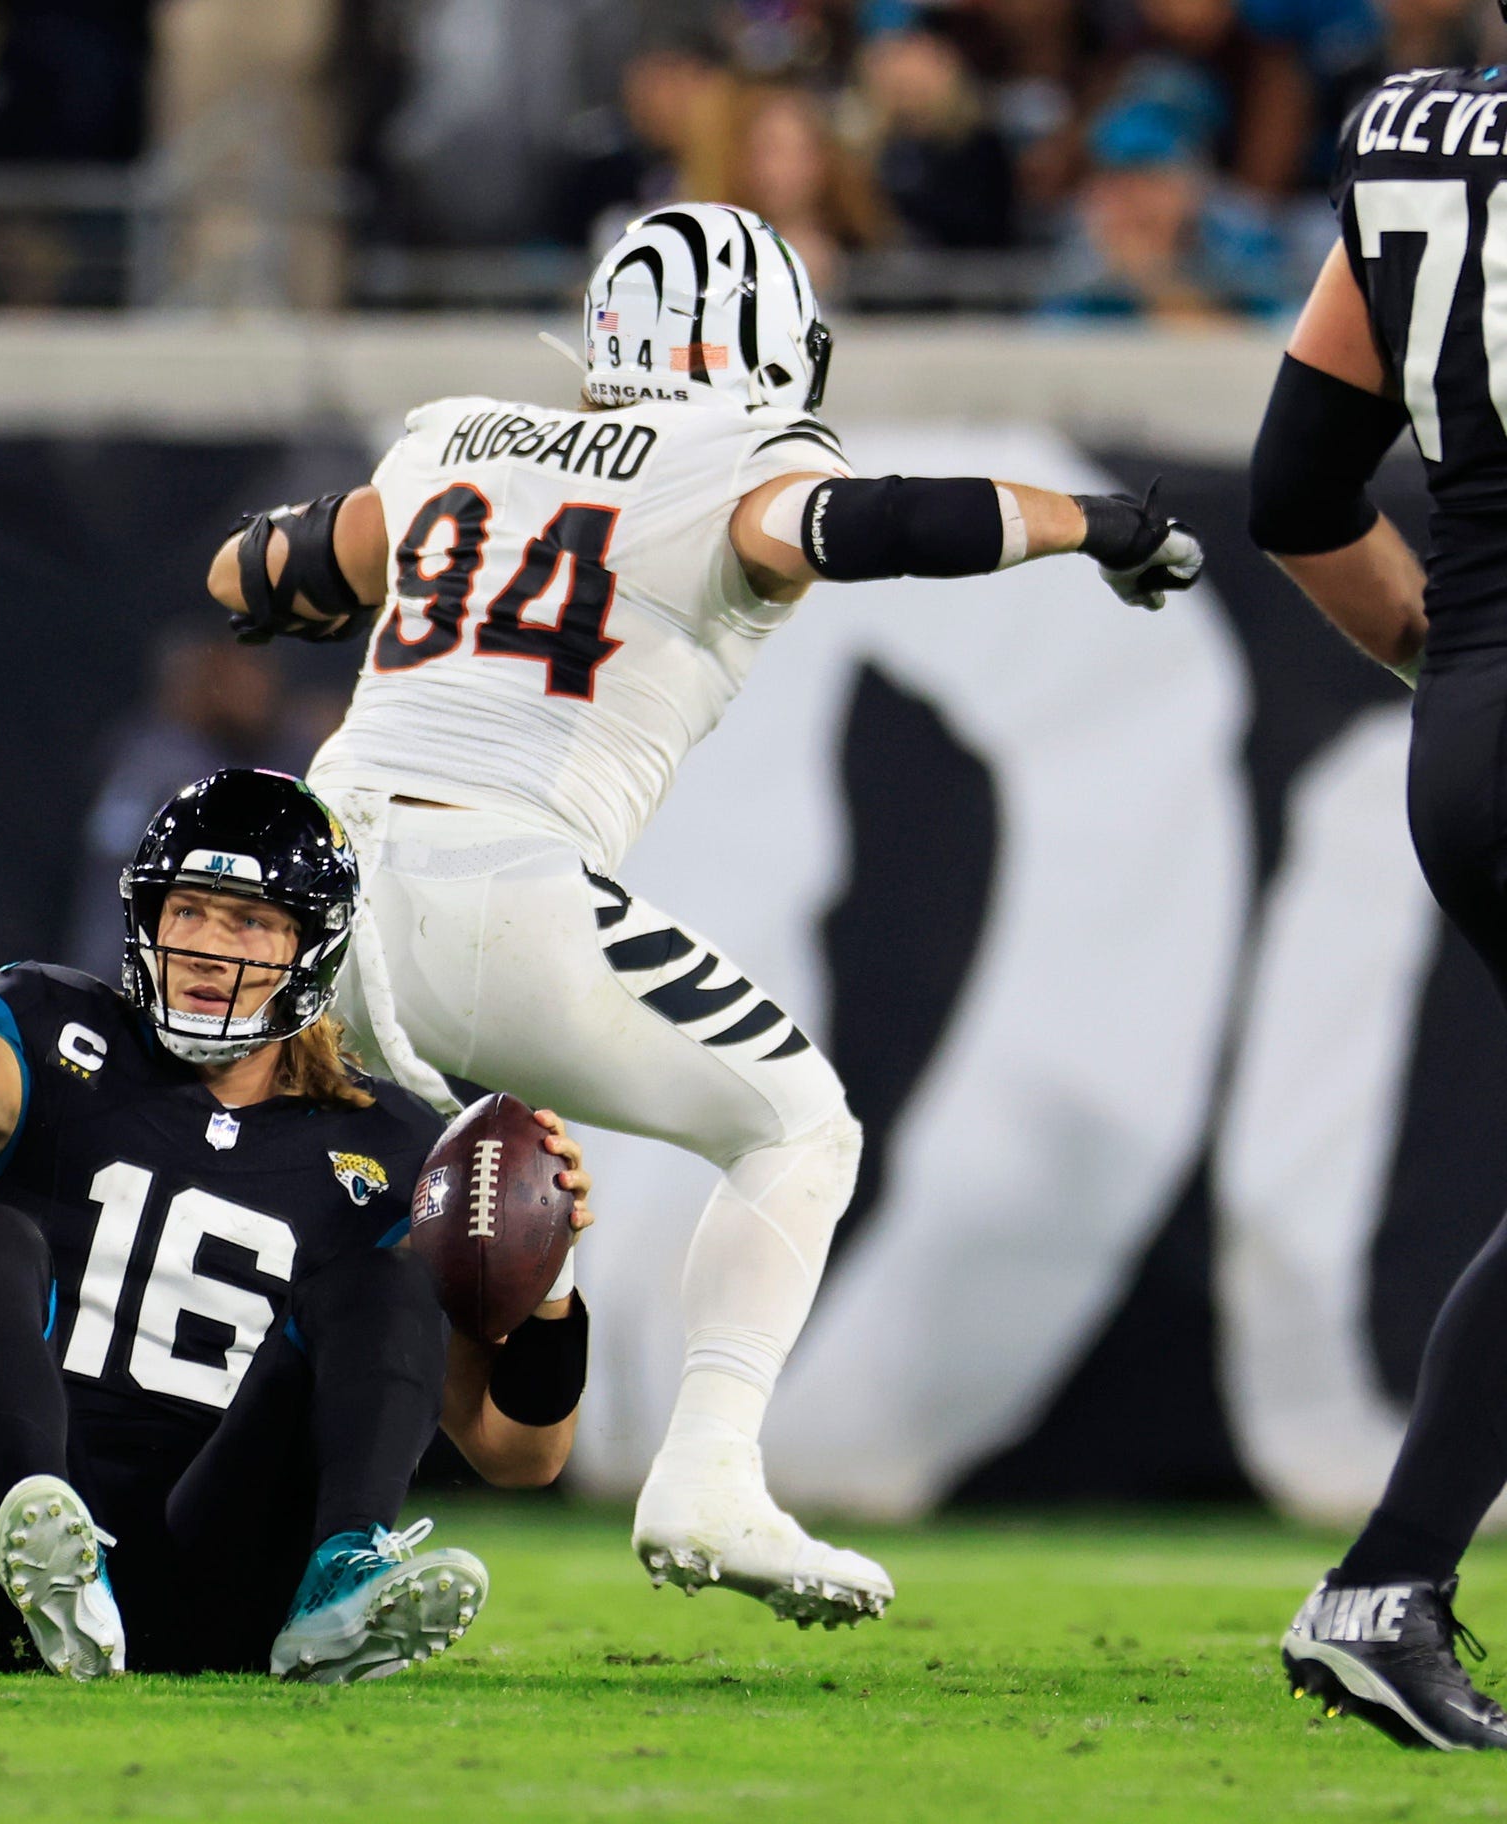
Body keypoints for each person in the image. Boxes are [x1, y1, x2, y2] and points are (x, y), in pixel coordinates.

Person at [206, 203, 1200, 1630]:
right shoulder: (737, 453)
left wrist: (290, 584)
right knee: (798, 1128)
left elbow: (254, 574)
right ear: (776, 345)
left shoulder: (457, 437)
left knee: (173, 1173)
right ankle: (711, 1474)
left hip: (320, 884)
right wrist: (1102, 524)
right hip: (506, 884)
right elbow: (867, 525)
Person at [0, 762, 591, 1681]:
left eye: (251, 919)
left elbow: (519, 1455)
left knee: (388, 1276)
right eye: (189, 910)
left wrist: (550, 1287)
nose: (211, 946)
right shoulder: (58, 1034)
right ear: (146, 919)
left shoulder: (392, 1145)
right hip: (3, 1590)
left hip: (218, 1579)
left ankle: (343, 1578)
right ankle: (46, 1533)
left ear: (313, 949)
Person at [1253, 58, 1507, 1753]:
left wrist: (1451, 665)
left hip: (1470, 721)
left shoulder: (1420, 136)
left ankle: (1387, 1582)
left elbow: (1293, 486)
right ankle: (1384, 1580)